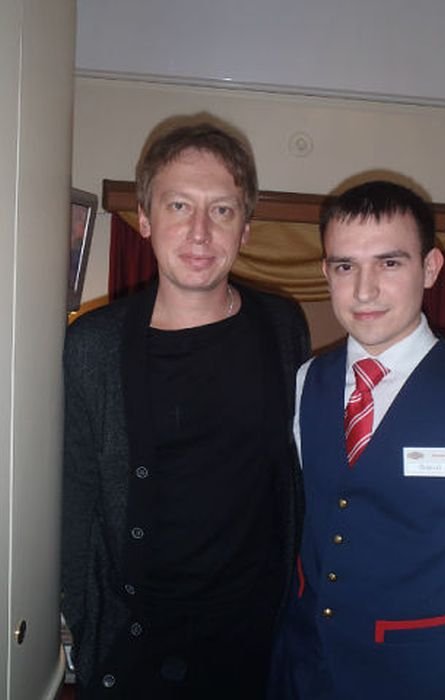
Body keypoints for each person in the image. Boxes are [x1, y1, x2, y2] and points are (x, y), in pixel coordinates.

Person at [61, 118, 310, 699]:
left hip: (253, 646)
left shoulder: (282, 326)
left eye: (221, 210)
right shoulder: (93, 345)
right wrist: (88, 628)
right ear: (145, 218)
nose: (200, 232)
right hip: (137, 648)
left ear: (245, 227)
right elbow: (75, 503)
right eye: (179, 206)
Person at [269, 180, 445, 699]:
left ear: (430, 268)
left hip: (416, 678)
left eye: (389, 263)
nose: (364, 291)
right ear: (326, 273)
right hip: (301, 670)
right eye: (346, 266)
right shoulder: (306, 382)